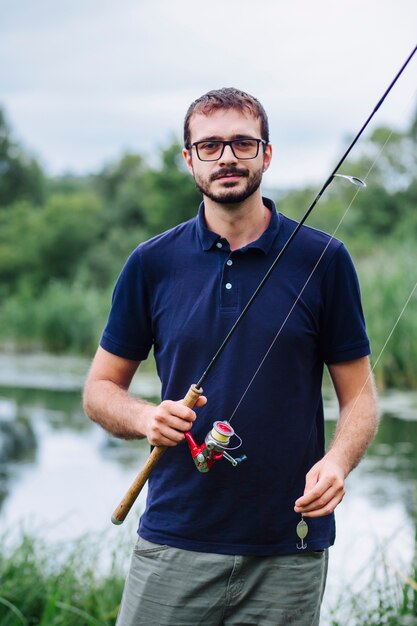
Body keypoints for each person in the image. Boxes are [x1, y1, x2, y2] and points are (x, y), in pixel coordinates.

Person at [83, 87, 379, 626]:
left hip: (290, 547)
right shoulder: (151, 263)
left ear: (266, 154)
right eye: (210, 145)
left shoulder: (325, 260)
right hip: (175, 539)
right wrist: (147, 416)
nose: (226, 158)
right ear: (188, 159)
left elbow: (360, 398)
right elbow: (99, 391)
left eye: (242, 144)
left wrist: (337, 463)